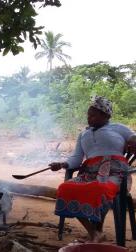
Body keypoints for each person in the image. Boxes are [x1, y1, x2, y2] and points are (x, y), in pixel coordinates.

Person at [50, 96, 136, 242]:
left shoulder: (118, 128)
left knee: (99, 189)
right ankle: (94, 232)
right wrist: (63, 164)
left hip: (116, 174)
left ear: (105, 115)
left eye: (93, 115)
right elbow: (76, 158)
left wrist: (133, 141)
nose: (89, 118)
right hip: (89, 174)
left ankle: (97, 230)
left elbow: (133, 137)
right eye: (88, 115)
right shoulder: (83, 134)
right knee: (66, 188)